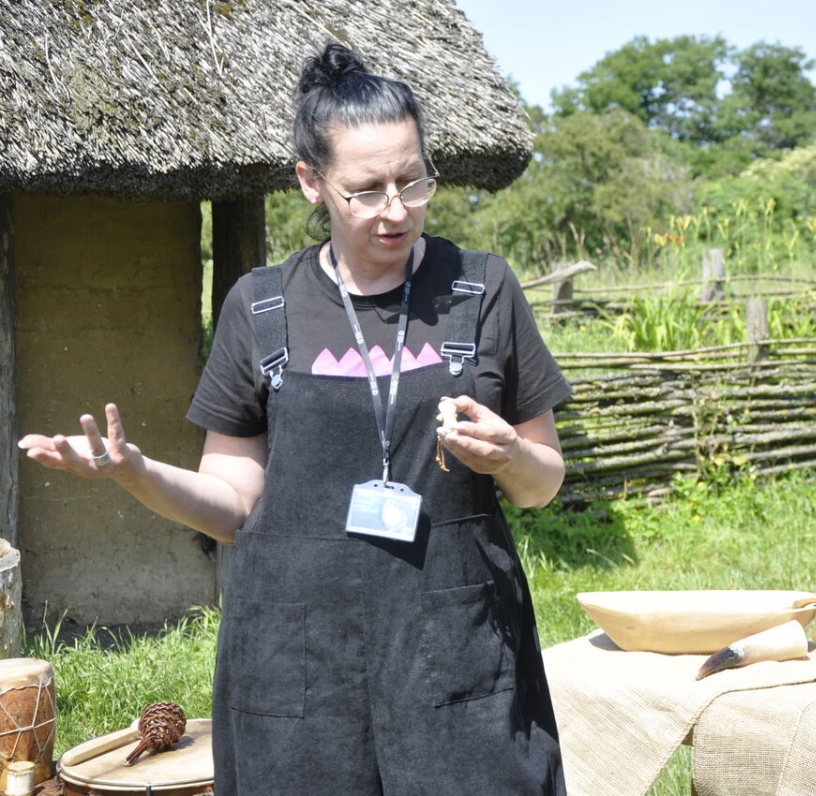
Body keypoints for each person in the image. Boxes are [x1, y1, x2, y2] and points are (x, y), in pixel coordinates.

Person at [18, 42, 570, 794]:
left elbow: (542, 484)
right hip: (299, 665)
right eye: (366, 190)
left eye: (413, 180)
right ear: (311, 181)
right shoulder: (260, 307)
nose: (397, 209)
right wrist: (136, 473)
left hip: (458, 649)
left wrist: (510, 455)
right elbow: (233, 505)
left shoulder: (483, 289)